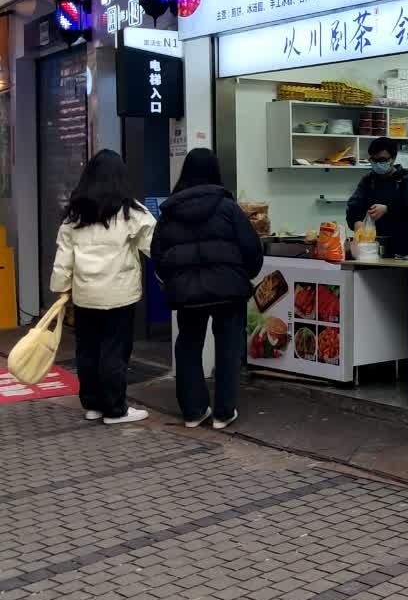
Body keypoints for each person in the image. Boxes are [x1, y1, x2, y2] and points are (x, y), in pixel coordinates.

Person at [151, 148, 263, 431]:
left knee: (188, 344)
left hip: (187, 293)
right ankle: (224, 413)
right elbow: (252, 248)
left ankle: (193, 410)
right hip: (228, 289)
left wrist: (176, 280)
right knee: (228, 347)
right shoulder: (228, 207)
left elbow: (158, 255)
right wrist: (242, 275)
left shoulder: (169, 211)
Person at [50, 150, 155, 425]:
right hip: (120, 294)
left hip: (85, 294)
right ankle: (115, 409)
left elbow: (64, 257)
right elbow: (154, 244)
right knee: (114, 351)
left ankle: (93, 405)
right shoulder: (132, 211)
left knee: (87, 350)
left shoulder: (76, 214)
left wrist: (61, 288)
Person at [346, 137, 408, 257]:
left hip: (405, 247)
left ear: (393, 158)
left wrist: (387, 209)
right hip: (374, 245)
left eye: (382, 160)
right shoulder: (368, 181)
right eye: (374, 160)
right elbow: (354, 206)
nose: (377, 164)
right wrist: (356, 221)